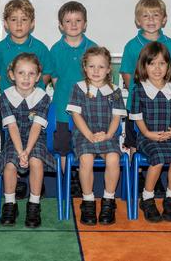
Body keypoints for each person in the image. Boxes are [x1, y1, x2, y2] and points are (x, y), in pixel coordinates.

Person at [0, 0, 52, 199]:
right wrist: (15, 93)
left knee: (35, 146)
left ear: (32, 23)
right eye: (14, 20)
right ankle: (15, 182)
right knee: (11, 142)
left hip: (35, 105)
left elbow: (45, 76)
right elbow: (0, 75)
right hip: (9, 106)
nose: (18, 24)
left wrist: (30, 92)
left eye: (24, 20)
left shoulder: (41, 47)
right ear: (6, 23)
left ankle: (36, 182)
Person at [120, 0, 171, 194]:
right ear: (138, 20)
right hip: (137, 104)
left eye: (156, 15)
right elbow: (127, 73)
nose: (151, 20)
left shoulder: (170, 44)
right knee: (135, 142)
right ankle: (139, 175)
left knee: (162, 138)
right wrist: (139, 94)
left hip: (162, 106)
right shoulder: (131, 45)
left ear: (164, 19)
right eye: (145, 16)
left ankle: (156, 178)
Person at [67, 46, 126, 226]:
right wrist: (90, 135)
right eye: (91, 66)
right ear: (85, 67)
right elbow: (76, 115)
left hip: (107, 136)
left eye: (101, 67)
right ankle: (88, 201)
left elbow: (117, 116)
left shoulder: (114, 91)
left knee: (113, 159)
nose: (96, 71)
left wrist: (108, 135)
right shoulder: (78, 88)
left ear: (109, 69)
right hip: (84, 135)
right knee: (86, 160)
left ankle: (108, 201)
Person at [0, 53, 55, 228]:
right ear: (12, 75)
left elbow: (37, 127)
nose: (26, 78)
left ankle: (34, 204)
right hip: (14, 140)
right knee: (10, 165)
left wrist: (27, 151)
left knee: (36, 161)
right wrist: (20, 151)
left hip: (36, 140)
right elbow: (12, 127)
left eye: (31, 74)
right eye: (21, 73)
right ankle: (10, 204)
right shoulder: (5, 96)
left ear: (38, 77)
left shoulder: (43, 97)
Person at [130, 42, 171, 223]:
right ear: (144, 66)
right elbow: (136, 117)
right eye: (152, 63)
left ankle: (170, 198)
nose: (157, 68)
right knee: (158, 159)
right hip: (147, 137)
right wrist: (147, 134)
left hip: (168, 137)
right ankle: (147, 198)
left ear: (169, 65)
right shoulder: (139, 89)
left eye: (162, 63)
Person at [50, 1, 97, 197]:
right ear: (61, 25)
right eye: (68, 21)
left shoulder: (93, 48)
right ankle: (67, 179)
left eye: (78, 20)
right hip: (63, 109)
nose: (74, 25)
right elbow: (54, 79)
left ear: (85, 23)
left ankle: (80, 178)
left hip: (88, 111)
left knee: (85, 146)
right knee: (63, 147)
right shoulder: (55, 49)